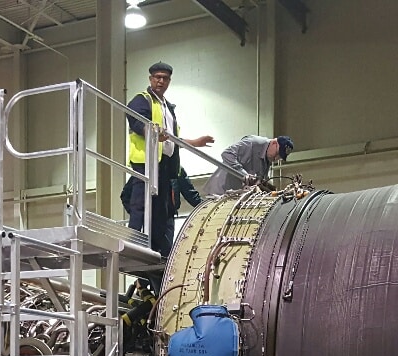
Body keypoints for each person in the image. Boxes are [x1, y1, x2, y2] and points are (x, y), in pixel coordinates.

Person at [126, 61, 214, 258]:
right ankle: (132, 241)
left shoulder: (168, 107)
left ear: (169, 81)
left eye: (165, 78)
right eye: (157, 77)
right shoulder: (143, 99)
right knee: (140, 201)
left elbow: (172, 138)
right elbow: (135, 118)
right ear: (150, 79)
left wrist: (195, 142)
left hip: (165, 164)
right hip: (146, 161)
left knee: (161, 208)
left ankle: (156, 247)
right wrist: (153, 133)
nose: (161, 81)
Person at [203, 135, 295, 196]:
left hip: (235, 197)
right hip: (219, 193)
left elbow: (258, 182)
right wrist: (243, 174)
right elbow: (227, 153)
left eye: (280, 157)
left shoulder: (267, 159)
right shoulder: (252, 143)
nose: (276, 158)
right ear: (274, 143)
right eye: (277, 153)